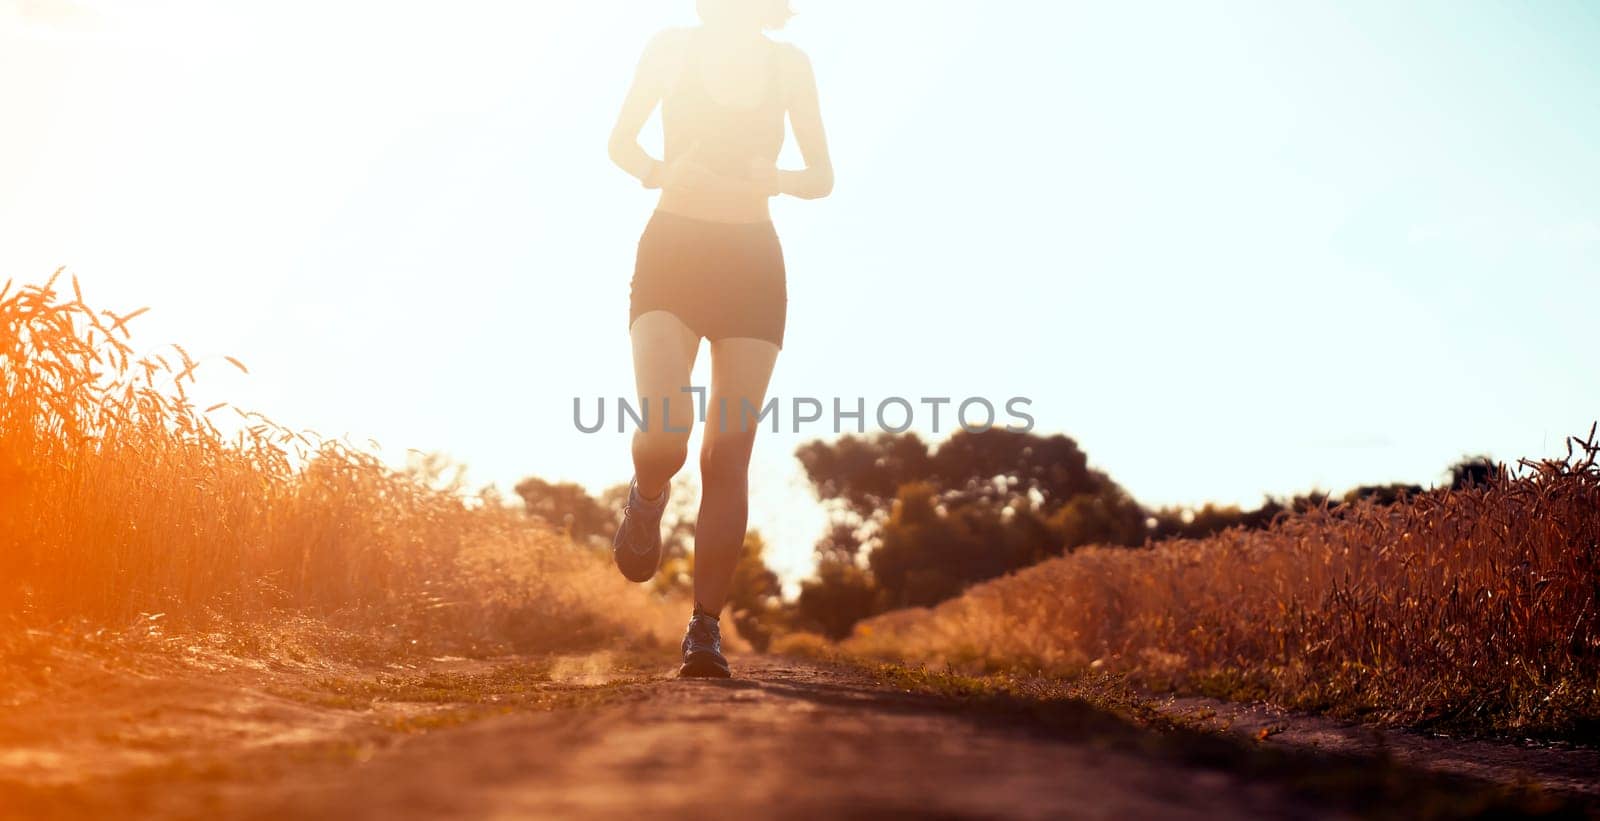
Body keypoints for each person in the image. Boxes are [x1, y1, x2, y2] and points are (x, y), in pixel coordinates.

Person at [607, 0, 833, 678]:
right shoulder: (670, 48)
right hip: (672, 254)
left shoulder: (789, 66)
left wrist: (776, 179)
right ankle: (647, 496)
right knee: (665, 434)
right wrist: (661, 172)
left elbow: (822, 176)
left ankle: (703, 629)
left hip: (752, 268)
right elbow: (621, 142)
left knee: (728, 450)